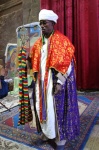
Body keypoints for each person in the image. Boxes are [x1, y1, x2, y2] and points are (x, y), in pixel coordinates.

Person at [29, 9, 80, 150]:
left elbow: (68, 63)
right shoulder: (38, 43)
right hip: (41, 82)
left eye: (44, 23)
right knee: (41, 107)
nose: (42, 26)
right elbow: (33, 60)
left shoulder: (62, 41)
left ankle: (59, 140)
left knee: (56, 110)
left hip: (54, 82)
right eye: (40, 23)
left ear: (52, 23)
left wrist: (59, 83)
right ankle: (46, 134)